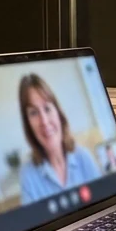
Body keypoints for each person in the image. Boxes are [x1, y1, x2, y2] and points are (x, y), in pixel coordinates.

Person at [16, 74, 101, 205]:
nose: (44, 121)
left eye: (47, 108)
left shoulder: (84, 158)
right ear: (28, 125)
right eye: (33, 112)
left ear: (58, 113)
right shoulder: (28, 176)